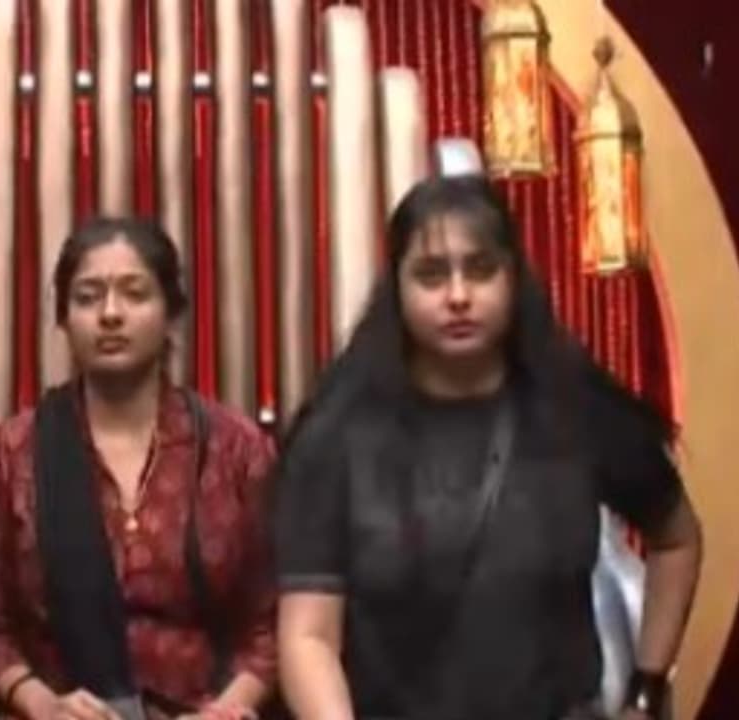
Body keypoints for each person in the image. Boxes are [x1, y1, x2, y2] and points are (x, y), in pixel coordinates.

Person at [273, 174, 702, 720]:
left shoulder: (575, 406)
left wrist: (646, 692)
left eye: (480, 270)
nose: (458, 296)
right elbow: (309, 635)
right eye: (431, 275)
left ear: (513, 278)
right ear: (396, 287)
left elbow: (677, 540)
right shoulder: (338, 434)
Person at [0, 217, 278, 720]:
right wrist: (42, 704)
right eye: (87, 297)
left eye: (134, 294)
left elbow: (275, 619)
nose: (110, 314)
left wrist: (228, 708)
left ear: (171, 314)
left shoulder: (236, 450)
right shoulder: (14, 454)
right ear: (63, 320)